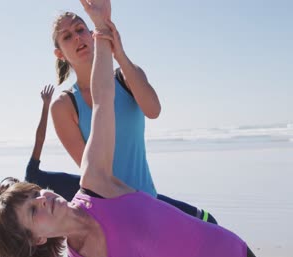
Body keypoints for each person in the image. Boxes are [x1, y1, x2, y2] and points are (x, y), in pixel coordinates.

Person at [0, 1, 261, 257]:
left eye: (80, 29)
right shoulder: (65, 105)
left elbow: (122, 104)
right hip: (123, 200)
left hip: (193, 230)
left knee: (205, 221)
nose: (43, 199)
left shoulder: (121, 85)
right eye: (33, 210)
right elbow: (90, 154)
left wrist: (107, 35)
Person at [27, 7, 217, 224]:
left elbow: (153, 110)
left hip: (148, 200)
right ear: (59, 53)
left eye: (80, 29)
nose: (77, 37)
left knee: (209, 223)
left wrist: (119, 55)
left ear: (92, 34)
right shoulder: (64, 105)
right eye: (67, 36)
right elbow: (94, 174)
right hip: (111, 212)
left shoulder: (126, 78)